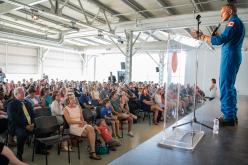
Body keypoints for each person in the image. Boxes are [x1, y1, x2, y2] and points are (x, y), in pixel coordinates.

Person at [192, 4, 245, 126]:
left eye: (223, 12)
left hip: (230, 57)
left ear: (230, 11)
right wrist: (211, 38)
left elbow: (222, 39)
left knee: (225, 85)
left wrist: (203, 36)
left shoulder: (233, 22)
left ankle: (228, 117)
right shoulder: (237, 22)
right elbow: (224, 39)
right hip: (234, 56)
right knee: (230, 86)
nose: (221, 15)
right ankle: (231, 114)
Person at [63, 94, 101, 160]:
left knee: (91, 129)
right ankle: (92, 151)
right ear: (68, 100)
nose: (73, 100)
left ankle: (92, 151)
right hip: (73, 126)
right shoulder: (65, 109)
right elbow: (69, 121)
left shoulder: (78, 107)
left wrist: (83, 122)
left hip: (81, 124)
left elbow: (82, 118)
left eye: (73, 98)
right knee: (90, 132)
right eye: (71, 99)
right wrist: (80, 122)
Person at [7, 87, 34, 161]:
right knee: (22, 134)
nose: (23, 93)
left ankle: (39, 148)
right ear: (16, 94)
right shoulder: (11, 104)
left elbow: (32, 114)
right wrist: (25, 126)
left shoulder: (27, 103)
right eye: (21, 92)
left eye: (23, 92)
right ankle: (19, 154)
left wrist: (33, 123)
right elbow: (13, 119)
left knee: (42, 127)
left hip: (30, 124)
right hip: (17, 126)